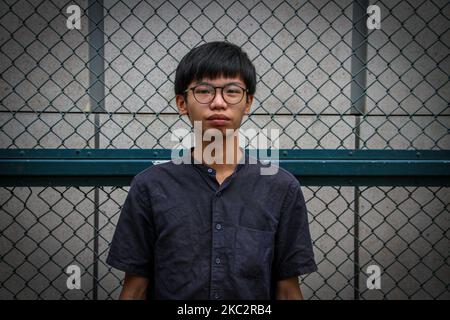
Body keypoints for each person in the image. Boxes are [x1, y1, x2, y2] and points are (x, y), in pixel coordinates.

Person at [106, 41, 317, 300]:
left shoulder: (281, 188)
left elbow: (287, 291)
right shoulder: (150, 187)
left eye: (231, 91)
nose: (218, 103)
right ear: (182, 103)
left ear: (248, 102)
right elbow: (135, 289)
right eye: (204, 91)